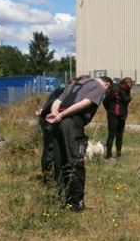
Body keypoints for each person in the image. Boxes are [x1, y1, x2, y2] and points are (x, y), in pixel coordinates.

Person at [47, 75, 113, 211]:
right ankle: (76, 204)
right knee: (75, 162)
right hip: (72, 123)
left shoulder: (76, 83)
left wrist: (55, 114)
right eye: (107, 92)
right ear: (107, 85)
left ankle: (63, 200)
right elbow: (85, 103)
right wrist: (62, 115)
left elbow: (57, 101)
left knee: (60, 161)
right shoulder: (99, 87)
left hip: (57, 124)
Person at [35, 82, 68, 183]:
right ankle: (47, 177)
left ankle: (54, 175)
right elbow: (49, 106)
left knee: (54, 149)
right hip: (48, 123)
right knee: (50, 149)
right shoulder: (63, 91)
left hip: (49, 121)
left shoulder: (63, 89)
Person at [102, 77, 134, 160]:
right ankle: (108, 155)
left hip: (122, 115)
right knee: (111, 135)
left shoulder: (127, 90)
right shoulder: (115, 89)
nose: (129, 88)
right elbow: (105, 101)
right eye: (128, 86)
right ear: (123, 84)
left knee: (120, 135)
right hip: (113, 115)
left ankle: (118, 154)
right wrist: (110, 111)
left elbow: (126, 102)